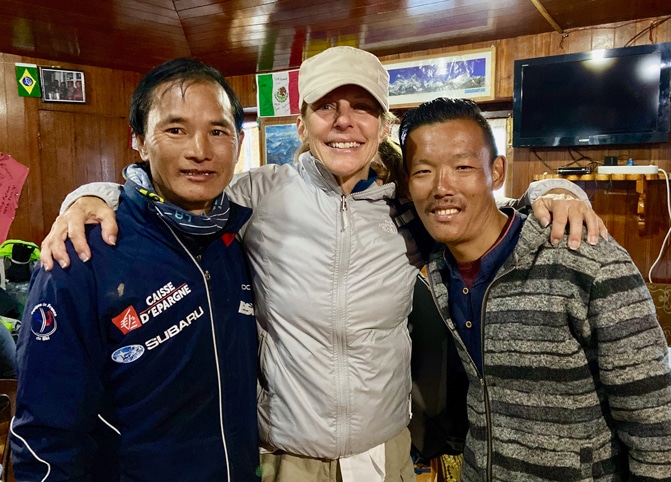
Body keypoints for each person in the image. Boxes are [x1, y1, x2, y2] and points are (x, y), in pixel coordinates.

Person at [39, 47, 606, 482]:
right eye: (327, 106)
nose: (344, 120)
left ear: (382, 124)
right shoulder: (256, 194)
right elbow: (173, 195)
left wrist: (558, 190)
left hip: (381, 454)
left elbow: (483, 210)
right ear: (302, 121)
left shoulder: (409, 206)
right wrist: (89, 197)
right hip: (287, 457)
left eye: (361, 107)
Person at [399, 96, 671, 481]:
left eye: (463, 166)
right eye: (423, 171)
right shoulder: (437, 263)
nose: (441, 187)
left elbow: (650, 414)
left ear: (496, 172)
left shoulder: (584, 255)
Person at [10, 58, 260, 481]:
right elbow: (45, 434)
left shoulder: (240, 237)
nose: (199, 150)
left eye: (217, 131)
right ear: (140, 141)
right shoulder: (80, 254)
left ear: (237, 141)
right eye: (175, 129)